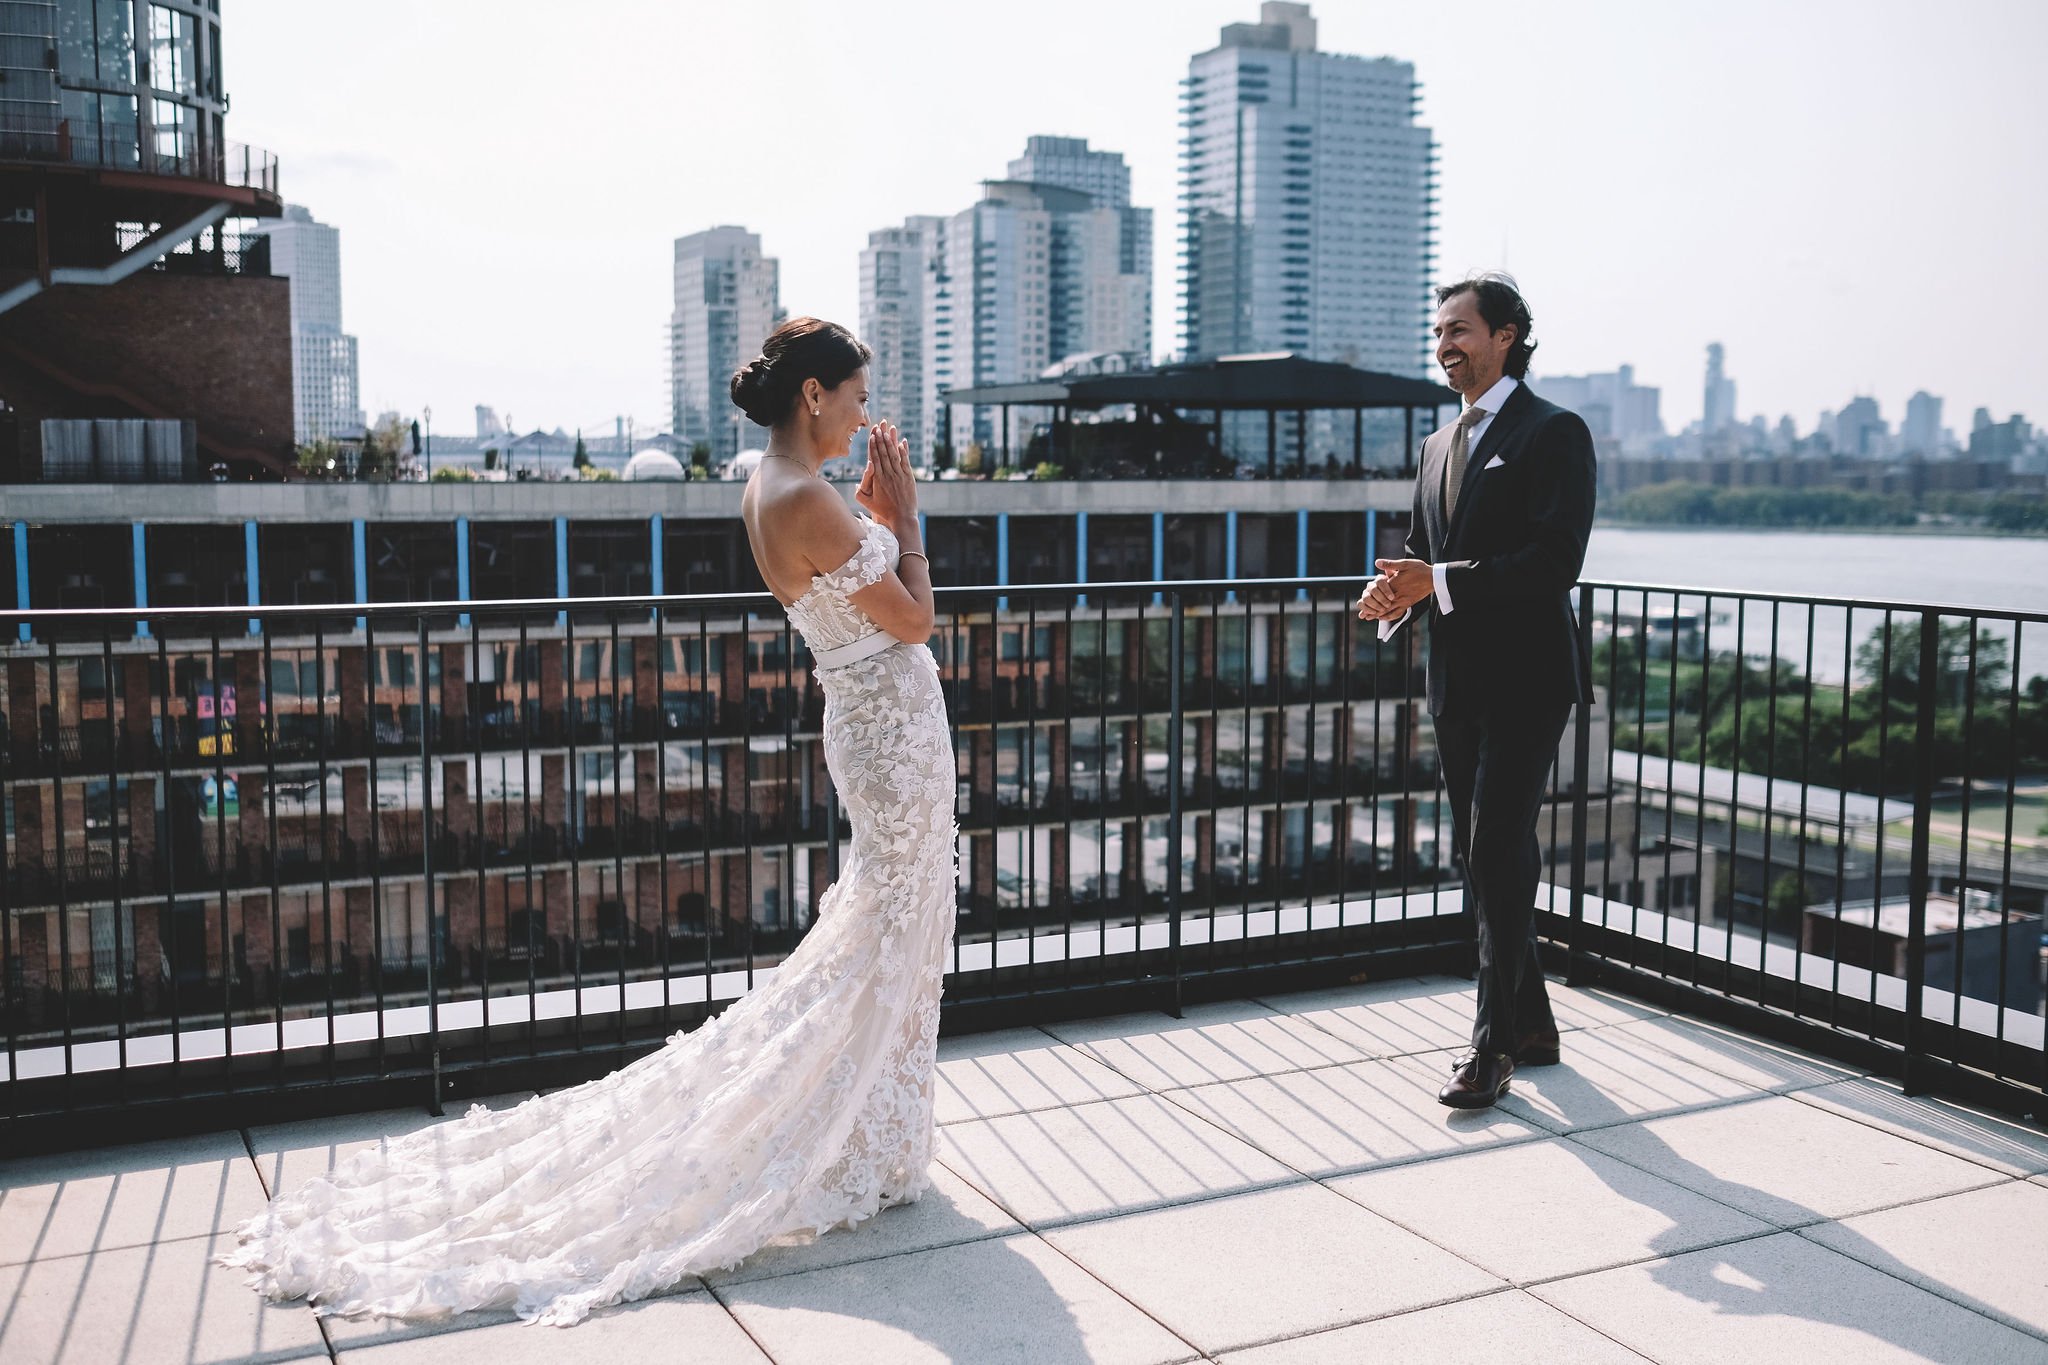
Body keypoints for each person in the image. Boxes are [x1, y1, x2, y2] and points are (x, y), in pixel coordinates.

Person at [216, 317, 958, 1325]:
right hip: (885, 723)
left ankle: (871, 1121)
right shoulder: (800, 494)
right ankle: (842, 1127)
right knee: (882, 925)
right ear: (814, 395)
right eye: (858, 395)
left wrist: (878, 519)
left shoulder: (775, 485)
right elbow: (914, 620)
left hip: (880, 723)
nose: (867, 415)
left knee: (888, 924)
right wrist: (905, 523)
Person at [1357, 273, 1596, 1110]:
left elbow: (1553, 563)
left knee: (1495, 848)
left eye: (1459, 329)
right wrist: (1391, 596)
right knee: (1488, 852)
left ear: (1507, 335)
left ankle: (1492, 1047)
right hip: (1456, 682)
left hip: (1529, 680)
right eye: (1439, 331)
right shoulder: (1436, 445)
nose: (1444, 344)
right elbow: (1423, 554)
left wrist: (1440, 580)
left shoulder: (1554, 432)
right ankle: (1532, 1022)